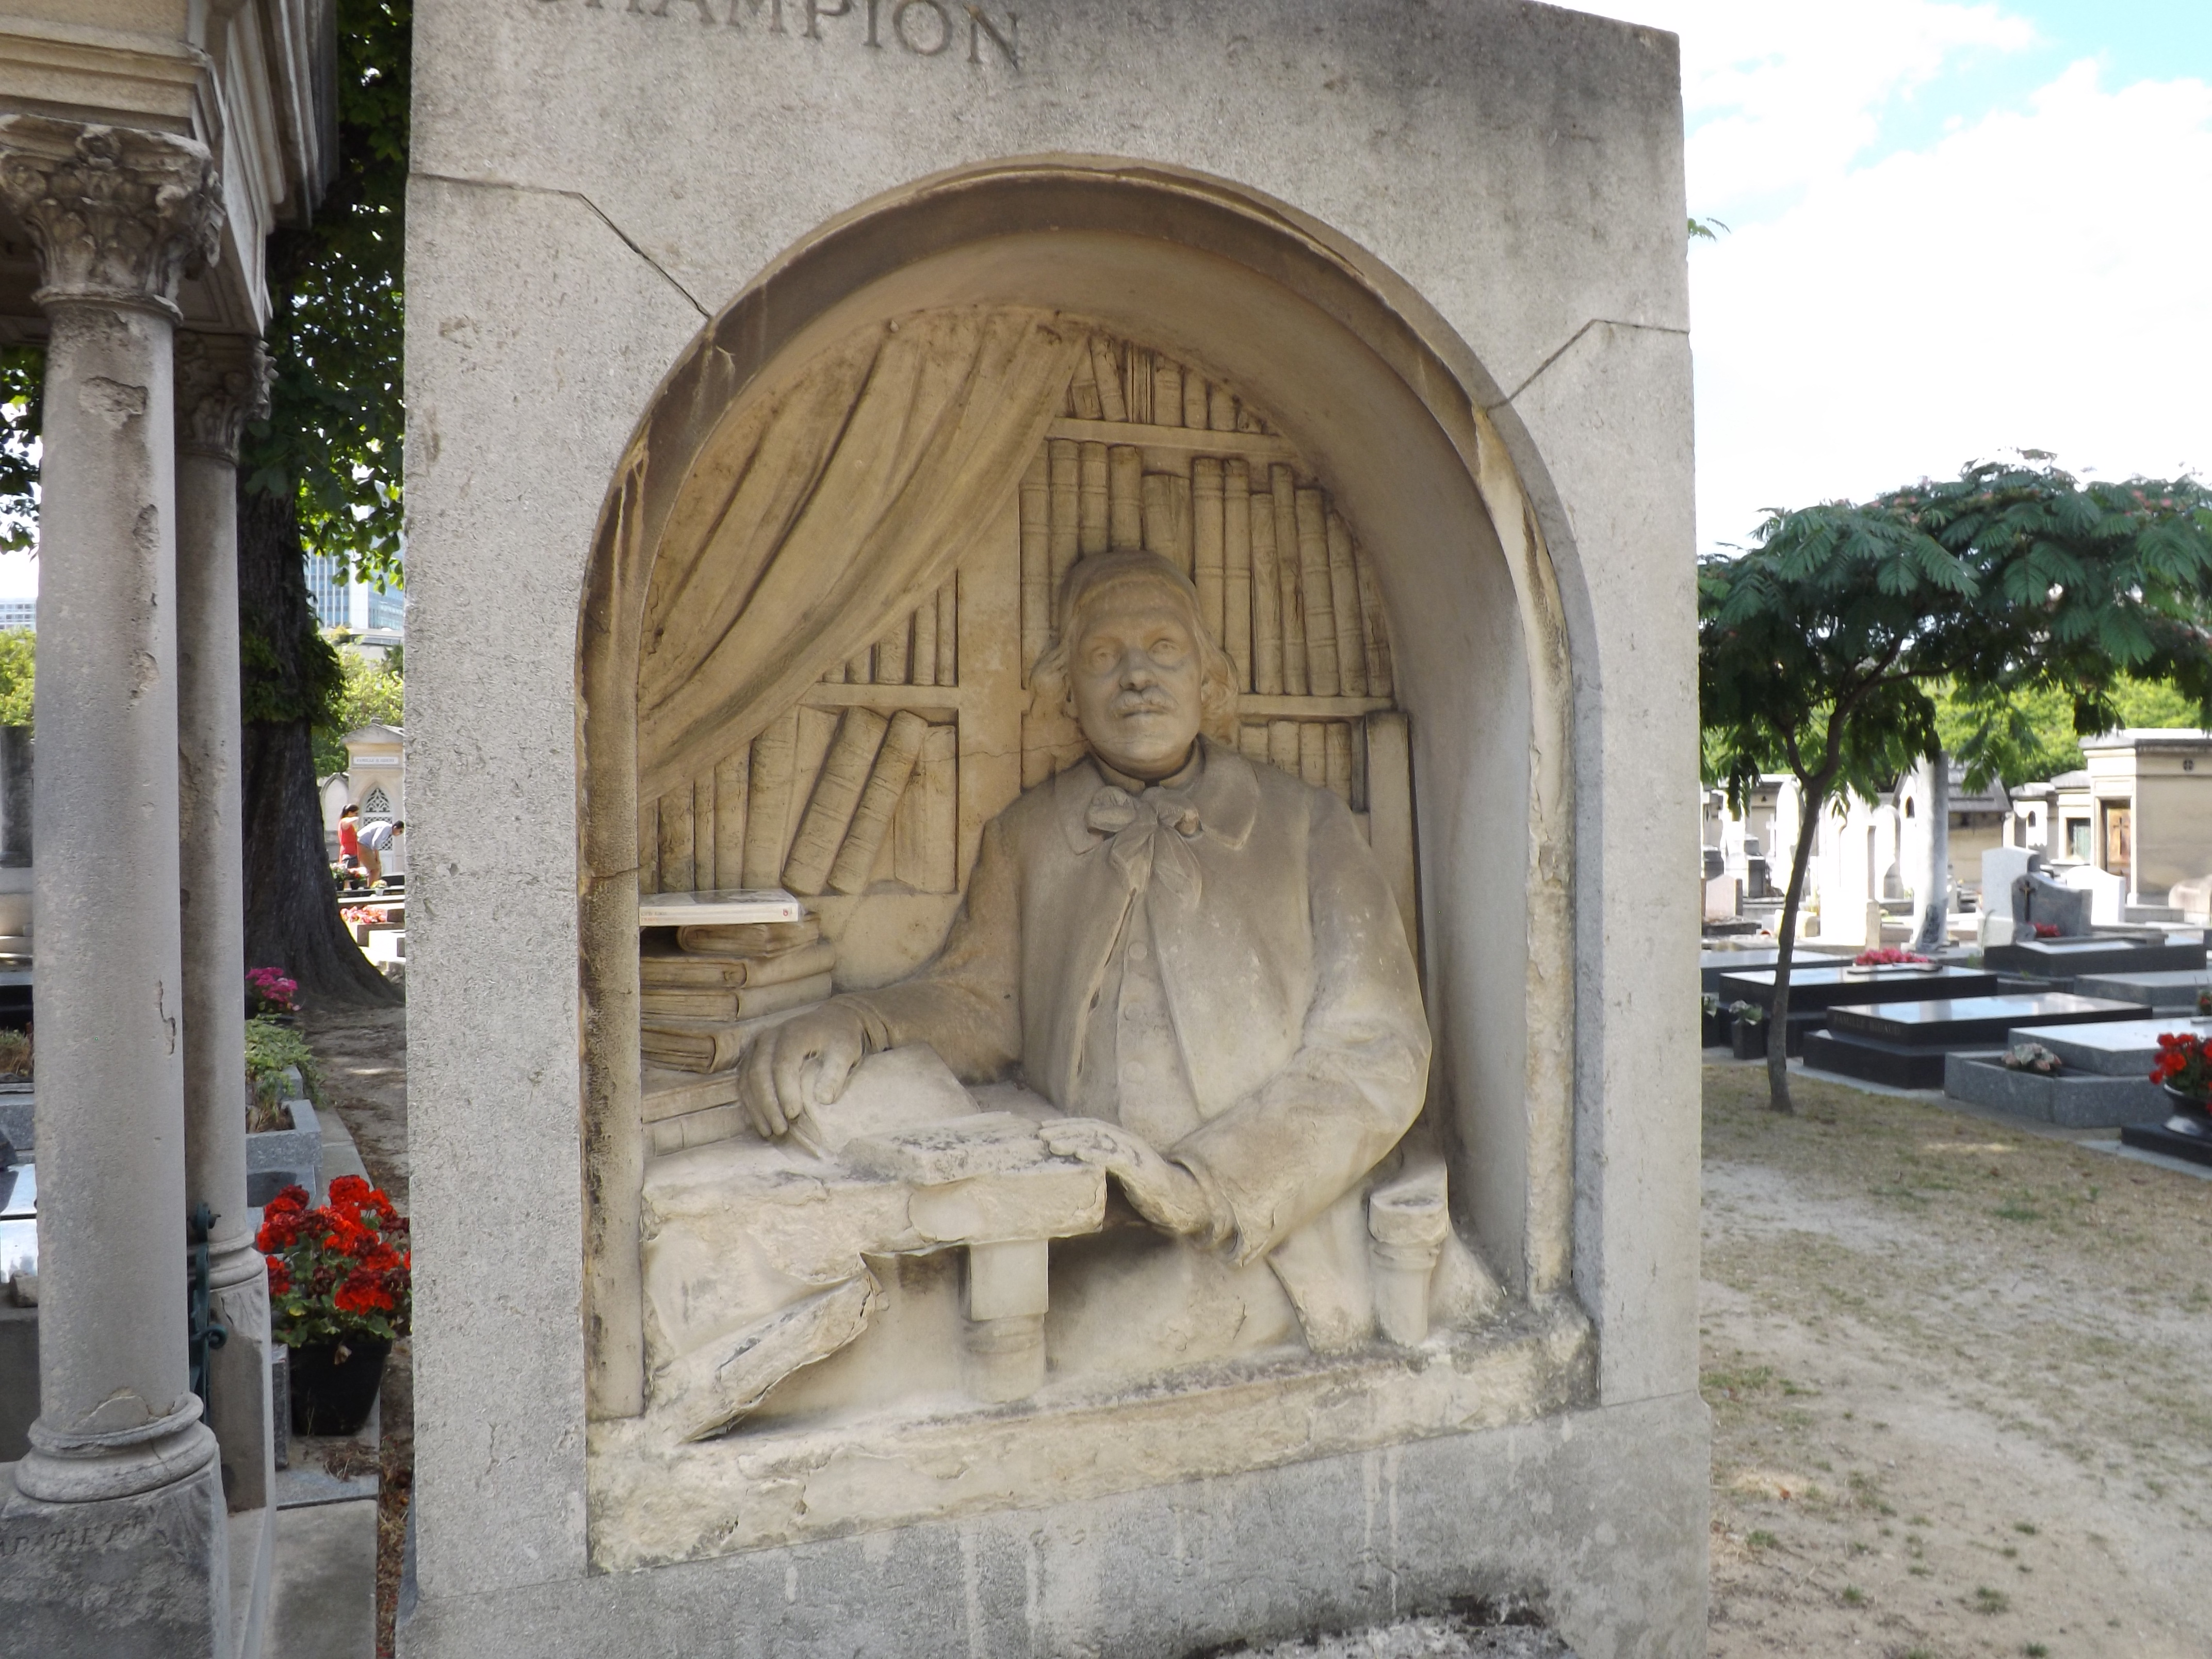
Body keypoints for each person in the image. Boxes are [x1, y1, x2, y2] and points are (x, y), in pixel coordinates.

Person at [741, 549, 1434, 1372]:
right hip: (1073, 1219)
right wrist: (856, 1021)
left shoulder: (1307, 827)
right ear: (1067, 692)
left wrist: (1208, 1185)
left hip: (1261, 1232)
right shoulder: (1027, 837)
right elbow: (982, 1005)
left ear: (1210, 677)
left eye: (1164, 649)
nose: (1137, 676)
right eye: (1104, 656)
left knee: (1062, 1351)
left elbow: (1378, 1051)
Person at [357, 818, 402, 883]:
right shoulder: (386, 828)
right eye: (400, 831)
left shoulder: (386, 827)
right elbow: (376, 842)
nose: (400, 834)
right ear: (395, 827)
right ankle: (373, 888)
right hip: (362, 844)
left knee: (375, 869)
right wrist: (378, 859)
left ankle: (372, 886)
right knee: (376, 869)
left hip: (365, 845)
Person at [336, 804, 362, 873]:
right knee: (349, 873)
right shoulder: (344, 821)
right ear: (350, 813)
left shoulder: (349, 825)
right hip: (348, 853)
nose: (356, 815)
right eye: (356, 813)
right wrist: (357, 818)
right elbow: (352, 820)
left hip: (353, 852)